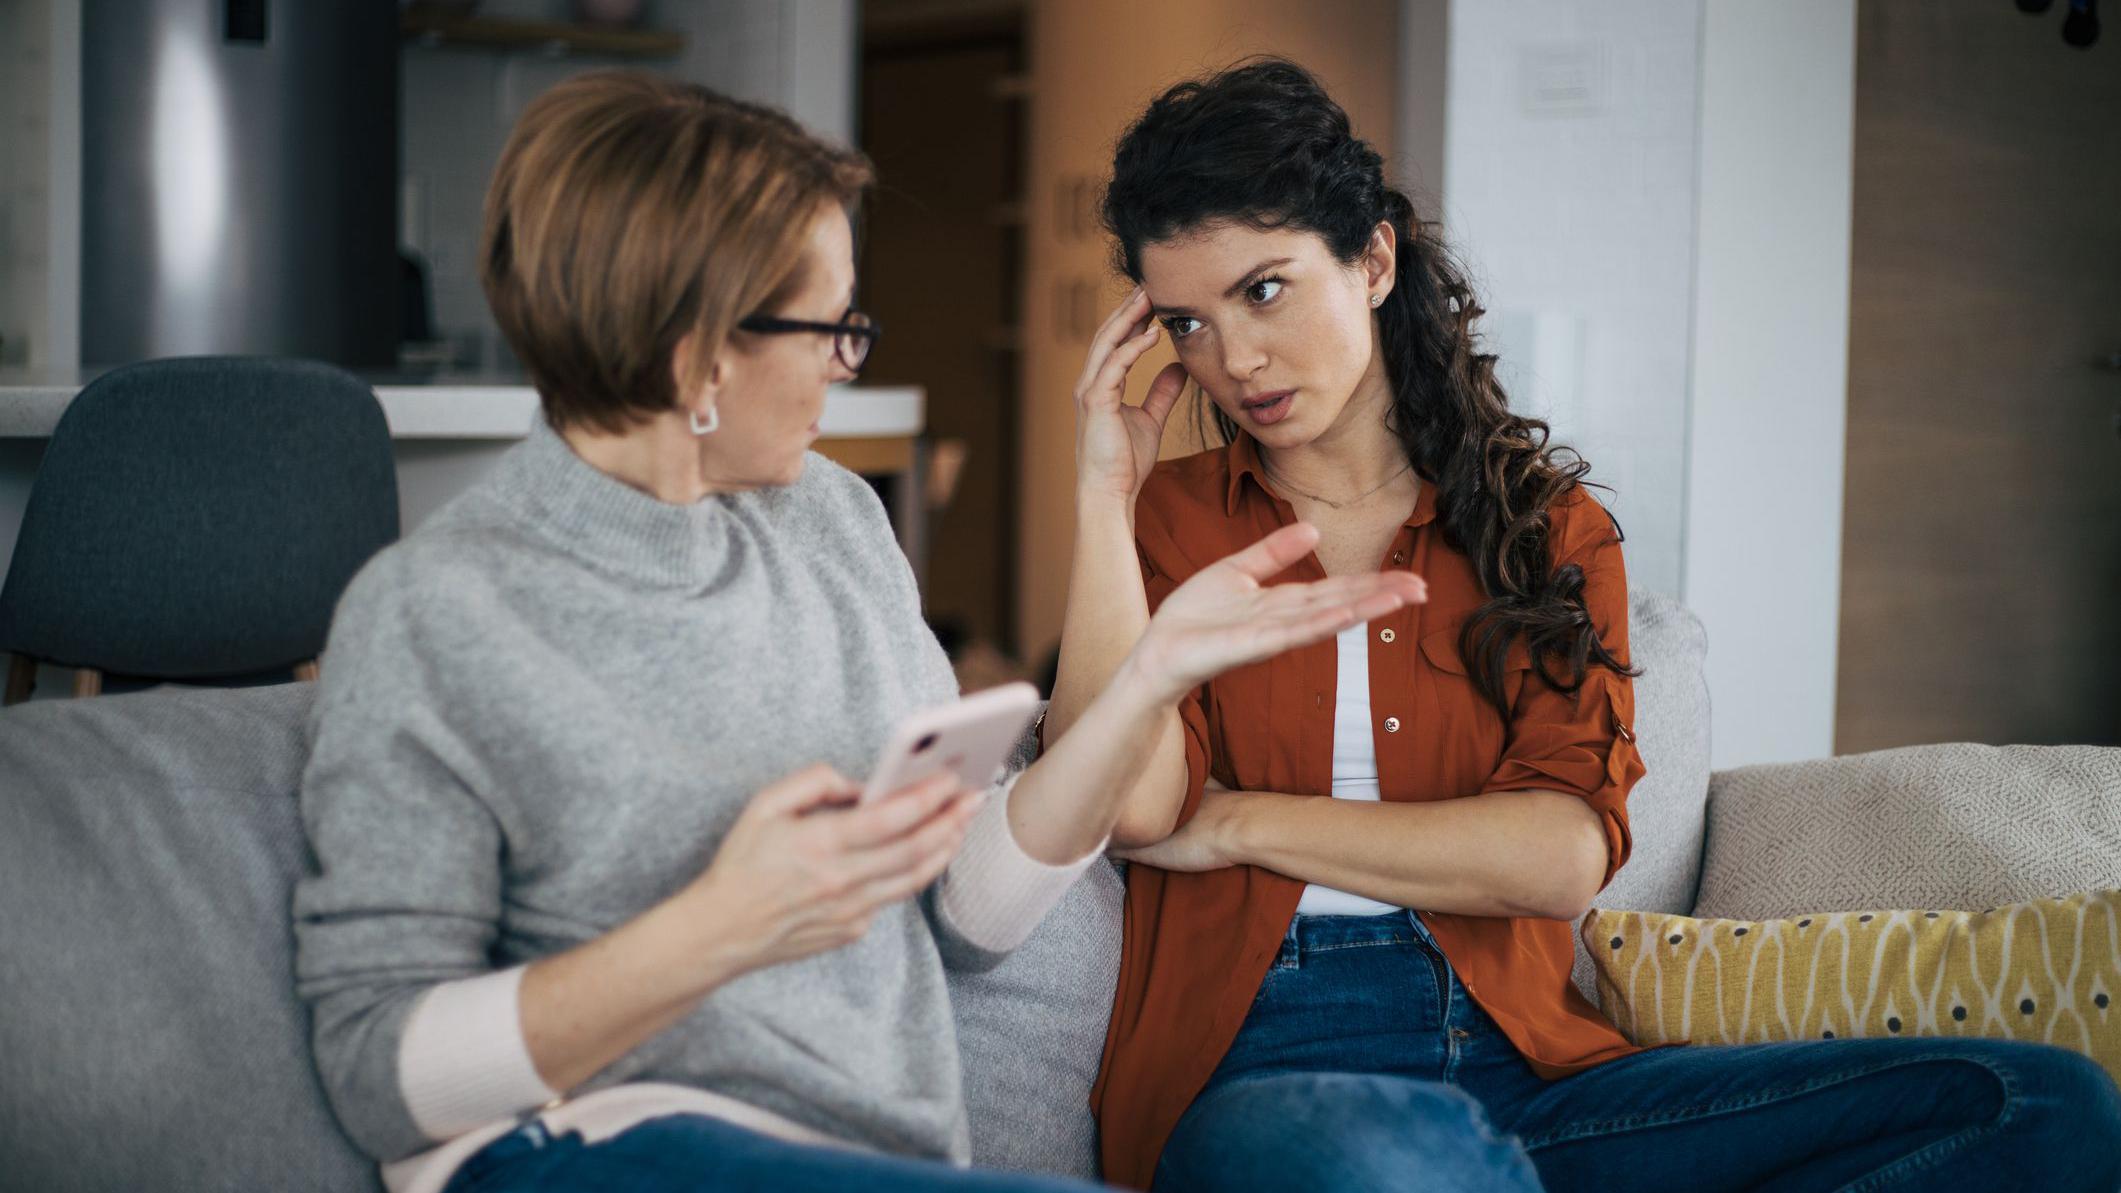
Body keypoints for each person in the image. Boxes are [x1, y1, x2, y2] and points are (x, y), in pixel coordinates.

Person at [291, 71, 1425, 1193]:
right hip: (597, 1142)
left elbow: (971, 917)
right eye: (831, 326)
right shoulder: (438, 611)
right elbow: (377, 1071)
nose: (851, 360)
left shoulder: (831, 523)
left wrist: (1148, 680)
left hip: (877, 1154)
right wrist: (723, 923)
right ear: (700, 356)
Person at [1044, 57, 2121, 1193]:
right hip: (1267, 1076)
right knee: (1375, 1165)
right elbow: (1125, 804)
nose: (1233, 359)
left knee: (2039, 1101)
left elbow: (1556, 857)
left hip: (1527, 1073)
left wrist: (1241, 821)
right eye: (1188, 323)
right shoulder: (1170, 522)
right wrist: (1101, 501)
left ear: (1371, 260)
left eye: (1263, 289)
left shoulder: (1547, 529)